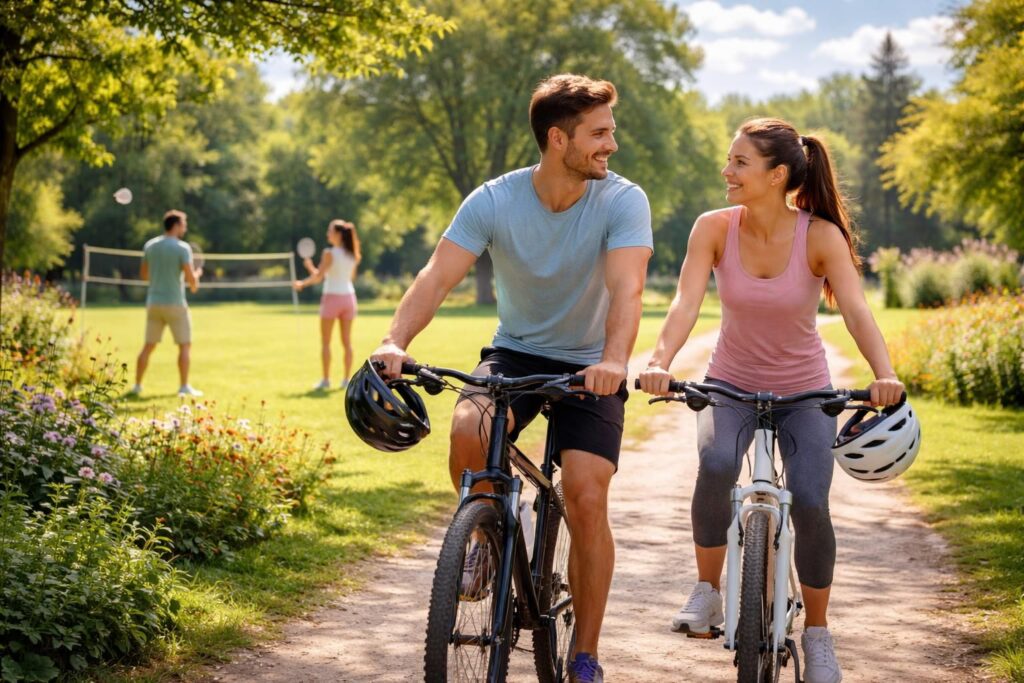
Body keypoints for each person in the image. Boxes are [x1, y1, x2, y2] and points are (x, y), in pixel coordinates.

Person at [371, 73, 652, 683]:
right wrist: (396, 340)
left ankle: (585, 654)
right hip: (516, 352)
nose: (612, 143)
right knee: (469, 428)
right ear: (558, 139)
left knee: (585, 493)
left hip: (591, 362)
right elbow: (436, 276)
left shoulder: (623, 200)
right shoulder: (494, 199)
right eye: (599, 133)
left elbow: (628, 290)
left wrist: (614, 361)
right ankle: (487, 538)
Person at [638, 118, 905, 683]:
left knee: (809, 499)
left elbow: (855, 309)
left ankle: (818, 634)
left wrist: (884, 374)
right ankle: (708, 592)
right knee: (714, 464)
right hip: (728, 383)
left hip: (805, 391)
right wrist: (660, 361)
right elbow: (685, 303)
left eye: (739, 162)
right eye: (729, 160)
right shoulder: (713, 227)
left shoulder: (820, 236)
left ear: (776, 173)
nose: (727, 171)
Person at [130, 209, 203, 397]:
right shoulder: (182, 248)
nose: (184, 229)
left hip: (153, 303)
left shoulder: (150, 246)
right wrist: (197, 276)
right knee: (185, 345)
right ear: (176, 225)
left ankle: (137, 386)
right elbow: (191, 281)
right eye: (183, 225)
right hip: (175, 304)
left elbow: (144, 275)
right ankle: (184, 386)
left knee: (148, 345)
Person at [293, 219, 361, 390]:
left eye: (330, 231)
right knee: (347, 342)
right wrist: (311, 268)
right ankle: (346, 380)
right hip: (349, 299)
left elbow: (318, 277)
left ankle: (326, 380)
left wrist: (302, 283)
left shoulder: (329, 253)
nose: (327, 234)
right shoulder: (353, 254)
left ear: (338, 234)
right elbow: (347, 277)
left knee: (326, 342)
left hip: (332, 298)